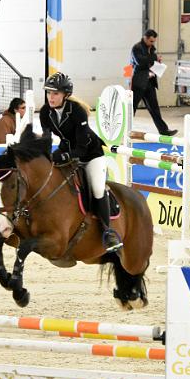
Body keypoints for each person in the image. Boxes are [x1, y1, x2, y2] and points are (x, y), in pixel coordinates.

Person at [39, 72, 122, 253]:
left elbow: (83, 146)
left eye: (55, 93)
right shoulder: (45, 112)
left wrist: (65, 157)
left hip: (91, 154)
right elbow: (46, 139)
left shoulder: (76, 111)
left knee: (98, 189)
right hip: (66, 150)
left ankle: (108, 232)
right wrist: (44, 156)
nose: (50, 97)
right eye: (48, 93)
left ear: (65, 95)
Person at [130, 29, 176, 136]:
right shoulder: (136, 48)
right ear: (145, 38)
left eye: (154, 41)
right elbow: (140, 62)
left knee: (154, 108)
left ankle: (163, 130)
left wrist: (155, 61)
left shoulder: (151, 49)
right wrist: (154, 58)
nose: (152, 43)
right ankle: (124, 129)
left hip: (150, 83)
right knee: (132, 107)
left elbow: (149, 61)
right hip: (139, 83)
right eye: (151, 41)